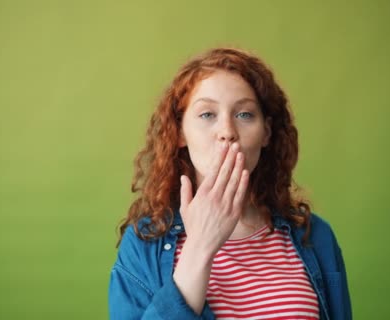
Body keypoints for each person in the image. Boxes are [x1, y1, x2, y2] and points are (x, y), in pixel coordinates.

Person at [108, 47, 352, 320]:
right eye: (207, 115)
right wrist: (200, 247)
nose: (227, 132)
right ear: (179, 133)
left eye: (244, 114)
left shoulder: (315, 237)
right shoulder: (143, 245)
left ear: (266, 133)